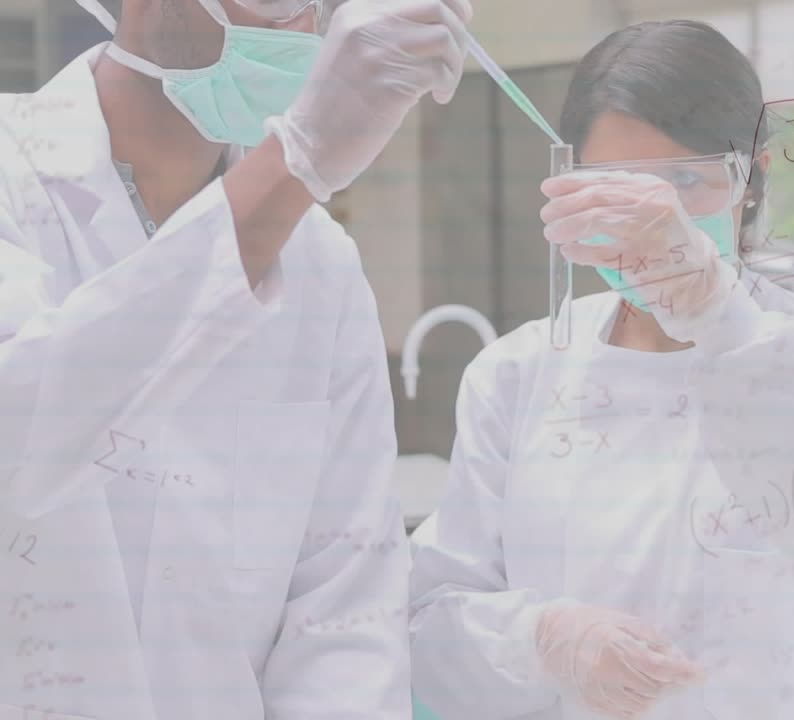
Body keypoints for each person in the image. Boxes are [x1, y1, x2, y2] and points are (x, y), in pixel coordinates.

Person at [409, 20, 794, 720]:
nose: (651, 219)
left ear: (752, 175)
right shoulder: (518, 373)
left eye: (687, 181)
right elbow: (427, 617)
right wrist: (541, 638)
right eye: (615, 187)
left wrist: (716, 312)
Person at [0, 0, 472, 717]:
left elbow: (343, 604)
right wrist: (294, 166)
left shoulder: (322, 263)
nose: (307, 21)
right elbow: (22, 433)